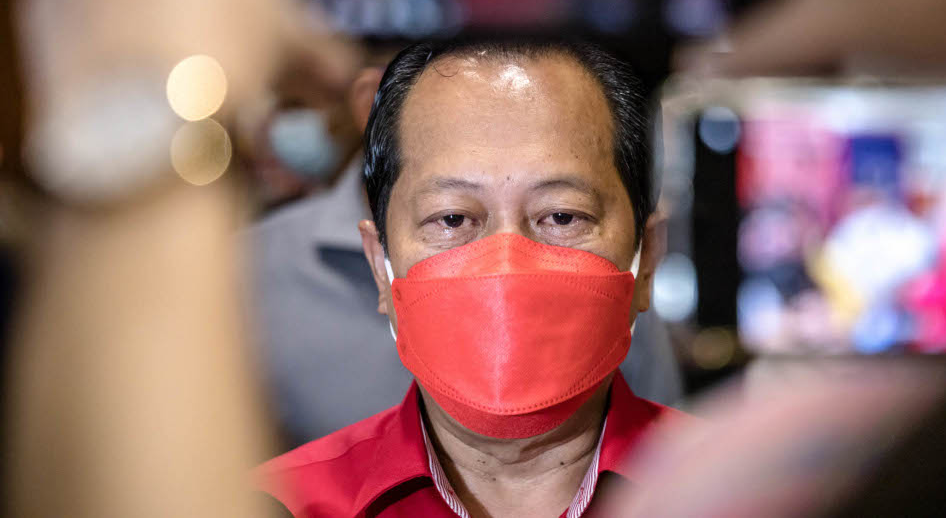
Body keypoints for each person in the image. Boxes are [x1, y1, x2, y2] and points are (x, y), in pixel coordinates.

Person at [254, 37, 691, 517]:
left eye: (562, 216)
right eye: (452, 219)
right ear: (380, 265)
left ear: (647, 257)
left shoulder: (756, 497)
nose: (505, 265)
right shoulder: (275, 506)